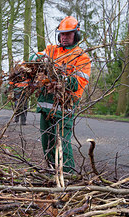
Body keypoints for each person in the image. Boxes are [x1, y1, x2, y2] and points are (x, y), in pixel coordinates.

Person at [32, 16, 91, 173]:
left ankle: (69, 175)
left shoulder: (82, 56)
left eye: (68, 34)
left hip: (65, 106)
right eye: (62, 34)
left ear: (76, 35)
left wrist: (59, 76)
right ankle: (53, 173)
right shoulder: (52, 50)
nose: (64, 37)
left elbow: (78, 83)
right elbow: (34, 59)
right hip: (46, 106)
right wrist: (39, 60)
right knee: (47, 143)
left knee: (63, 144)